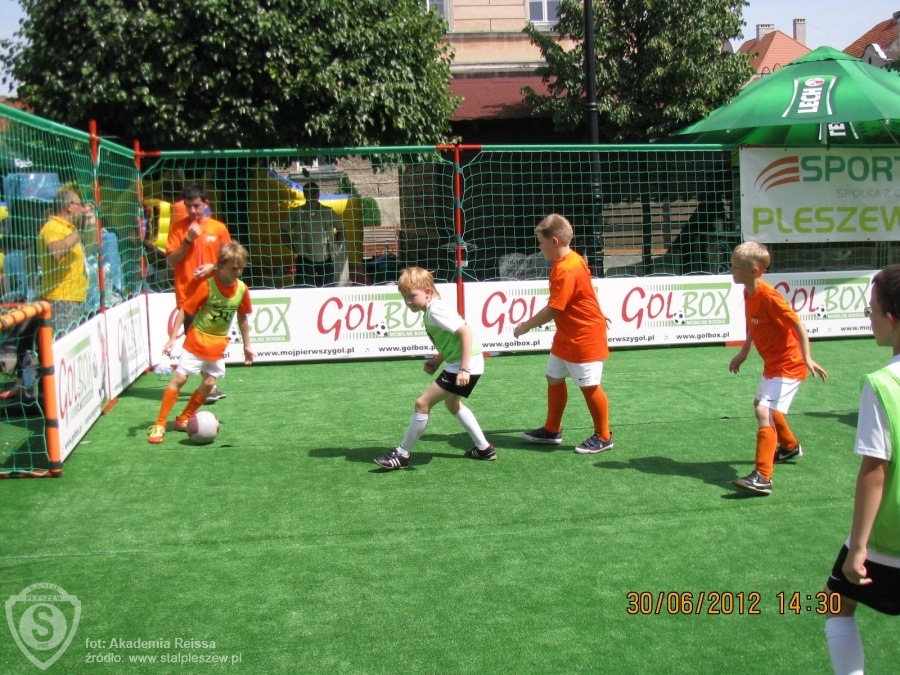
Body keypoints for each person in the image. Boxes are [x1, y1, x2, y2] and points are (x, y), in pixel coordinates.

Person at [823, 265, 900, 674]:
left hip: (891, 535)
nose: (869, 319)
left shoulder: (882, 383)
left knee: (836, 603)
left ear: (890, 318)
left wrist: (858, 547)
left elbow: (875, 470)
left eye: (871, 311)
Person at [728, 241, 827, 495]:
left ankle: (763, 476)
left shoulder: (770, 297)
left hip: (789, 365)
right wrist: (743, 352)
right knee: (760, 404)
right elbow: (754, 324)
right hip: (773, 364)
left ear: (755, 271)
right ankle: (790, 446)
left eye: (736, 267)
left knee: (763, 411)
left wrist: (807, 357)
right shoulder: (748, 292)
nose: (731, 271)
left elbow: (798, 324)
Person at [373, 266, 494, 470]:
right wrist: (438, 361)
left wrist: (464, 369)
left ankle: (402, 454)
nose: (407, 301)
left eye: (412, 296)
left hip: (466, 364)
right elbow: (452, 340)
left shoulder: (435, 311)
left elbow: (466, 333)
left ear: (428, 292)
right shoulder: (433, 308)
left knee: (422, 403)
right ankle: (484, 448)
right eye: (404, 297)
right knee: (452, 404)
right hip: (469, 362)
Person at [513, 213, 613, 454]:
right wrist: (599, 312)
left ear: (554, 241)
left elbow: (553, 309)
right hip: (567, 335)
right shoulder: (573, 260)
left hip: (583, 337)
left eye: (541, 242)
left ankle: (604, 436)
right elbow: (586, 292)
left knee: (589, 386)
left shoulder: (566, 269)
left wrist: (525, 326)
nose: (539, 247)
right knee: (554, 377)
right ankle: (552, 429)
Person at [148, 242, 254, 444]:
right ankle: (160, 424)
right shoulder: (207, 286)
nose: (238, 272)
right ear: (220, 266)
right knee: (180, 379)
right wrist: (172, 338)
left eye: (241, 268)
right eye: (234, 268)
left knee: (210, 383)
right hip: (196, 340)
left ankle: (183, 418)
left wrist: (247, 345)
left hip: (217, 344)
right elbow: (185, 310)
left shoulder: (242, 289)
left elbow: (242, 317)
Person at [166, 184, 232, 402]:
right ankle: (208, 388)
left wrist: (213, 267)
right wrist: (187, 240)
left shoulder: (218, 228)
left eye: (196, 206)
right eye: (188, 206)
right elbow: (172, 261)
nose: (192, 210)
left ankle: (209, 386)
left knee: (212, 339)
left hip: (216, 293)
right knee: (198, 341)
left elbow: (230, 259)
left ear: (206, 204)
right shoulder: (178, 229)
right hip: (189, 295)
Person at [37, 188, 93, 335]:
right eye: (79, 204)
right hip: (61, 301)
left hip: (73, 299)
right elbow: (56, 252)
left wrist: (89, 225)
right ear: (69, 206)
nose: (82, 208)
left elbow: (89, 250)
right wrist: (80, 231)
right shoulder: (53, 226)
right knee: (64, 345)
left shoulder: (68, 230)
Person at [280, 182, 343, 288]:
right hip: (304, 258)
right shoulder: (297, 212)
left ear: (319, 193)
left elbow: (341, 228)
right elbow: (283, 229)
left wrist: (338, 245)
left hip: (327, 258)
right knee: (304, 290)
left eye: (315, 192)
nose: (313, 194)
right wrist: (291, 247)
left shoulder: (328, 211)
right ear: (305, 194)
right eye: (309, 192)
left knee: (328, 290)